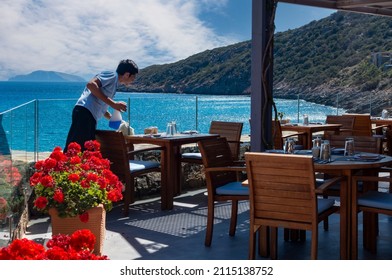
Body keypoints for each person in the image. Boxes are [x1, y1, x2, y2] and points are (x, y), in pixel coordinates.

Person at [64, 59, 138, 151]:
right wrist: (113, 104)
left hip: (88, 113)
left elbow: (100, 101)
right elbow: (91, 85)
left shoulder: (114, 83)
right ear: (127, 74)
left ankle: (66, 164)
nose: (133, 80)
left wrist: (110, 117)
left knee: (84, 147)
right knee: (77, 147)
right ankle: (63, 164)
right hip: (85, 112)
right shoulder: (112, 76)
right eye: (133, 77)